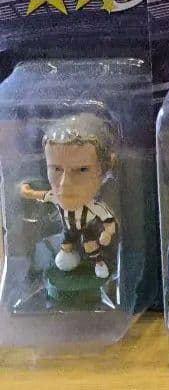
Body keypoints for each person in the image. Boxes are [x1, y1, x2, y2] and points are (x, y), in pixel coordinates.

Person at [20, 114, 118, 280]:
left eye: (82, 170)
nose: (65, 183)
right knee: (66, 246)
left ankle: (99, 263)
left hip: (88, 229)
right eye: (56, 169)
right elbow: (41, 195)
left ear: (106, 167)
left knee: (90, 246)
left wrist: (107, 234)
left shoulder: (94, 206)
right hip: (68, 229)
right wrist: (26, 192)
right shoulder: (56, 197)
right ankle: (68, 258)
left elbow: (109, 221)